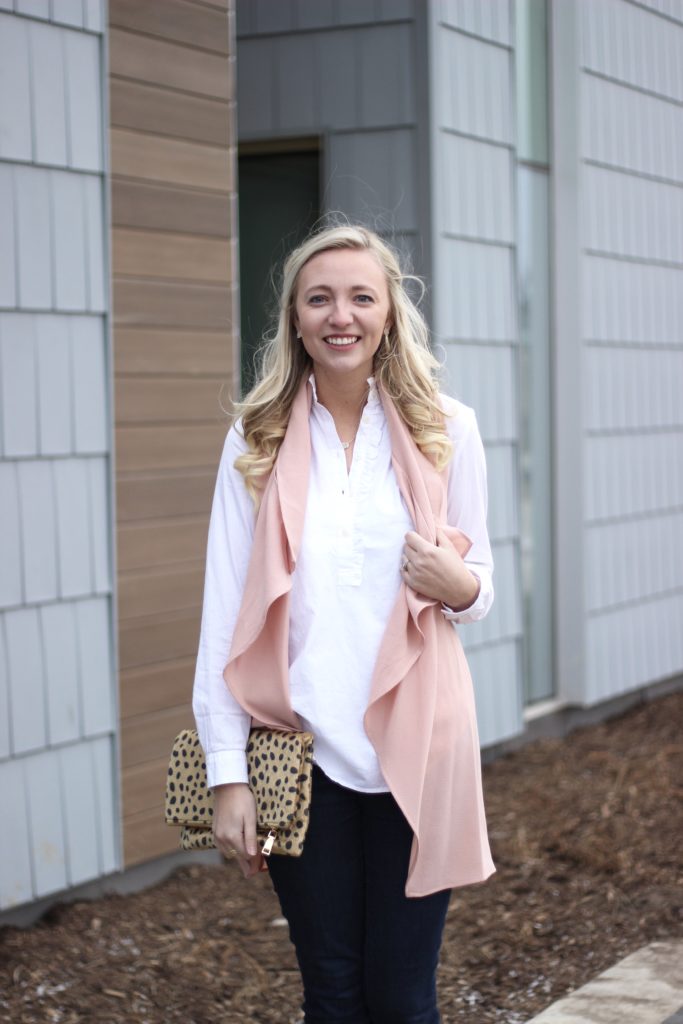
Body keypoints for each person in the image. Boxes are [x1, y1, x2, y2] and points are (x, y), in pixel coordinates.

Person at [192, 223, 495, 1024]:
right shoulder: (253, 441)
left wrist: (455, 581)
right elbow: (223, 610)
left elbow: (483, 585)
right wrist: (228, 773)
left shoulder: (447, 429)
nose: (341, 315)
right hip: (303, 754)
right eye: (319, 298)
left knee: (401, 997)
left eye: (362, 297)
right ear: (293, 318)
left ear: (389, 314)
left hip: (417, 749)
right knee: (330, 993)